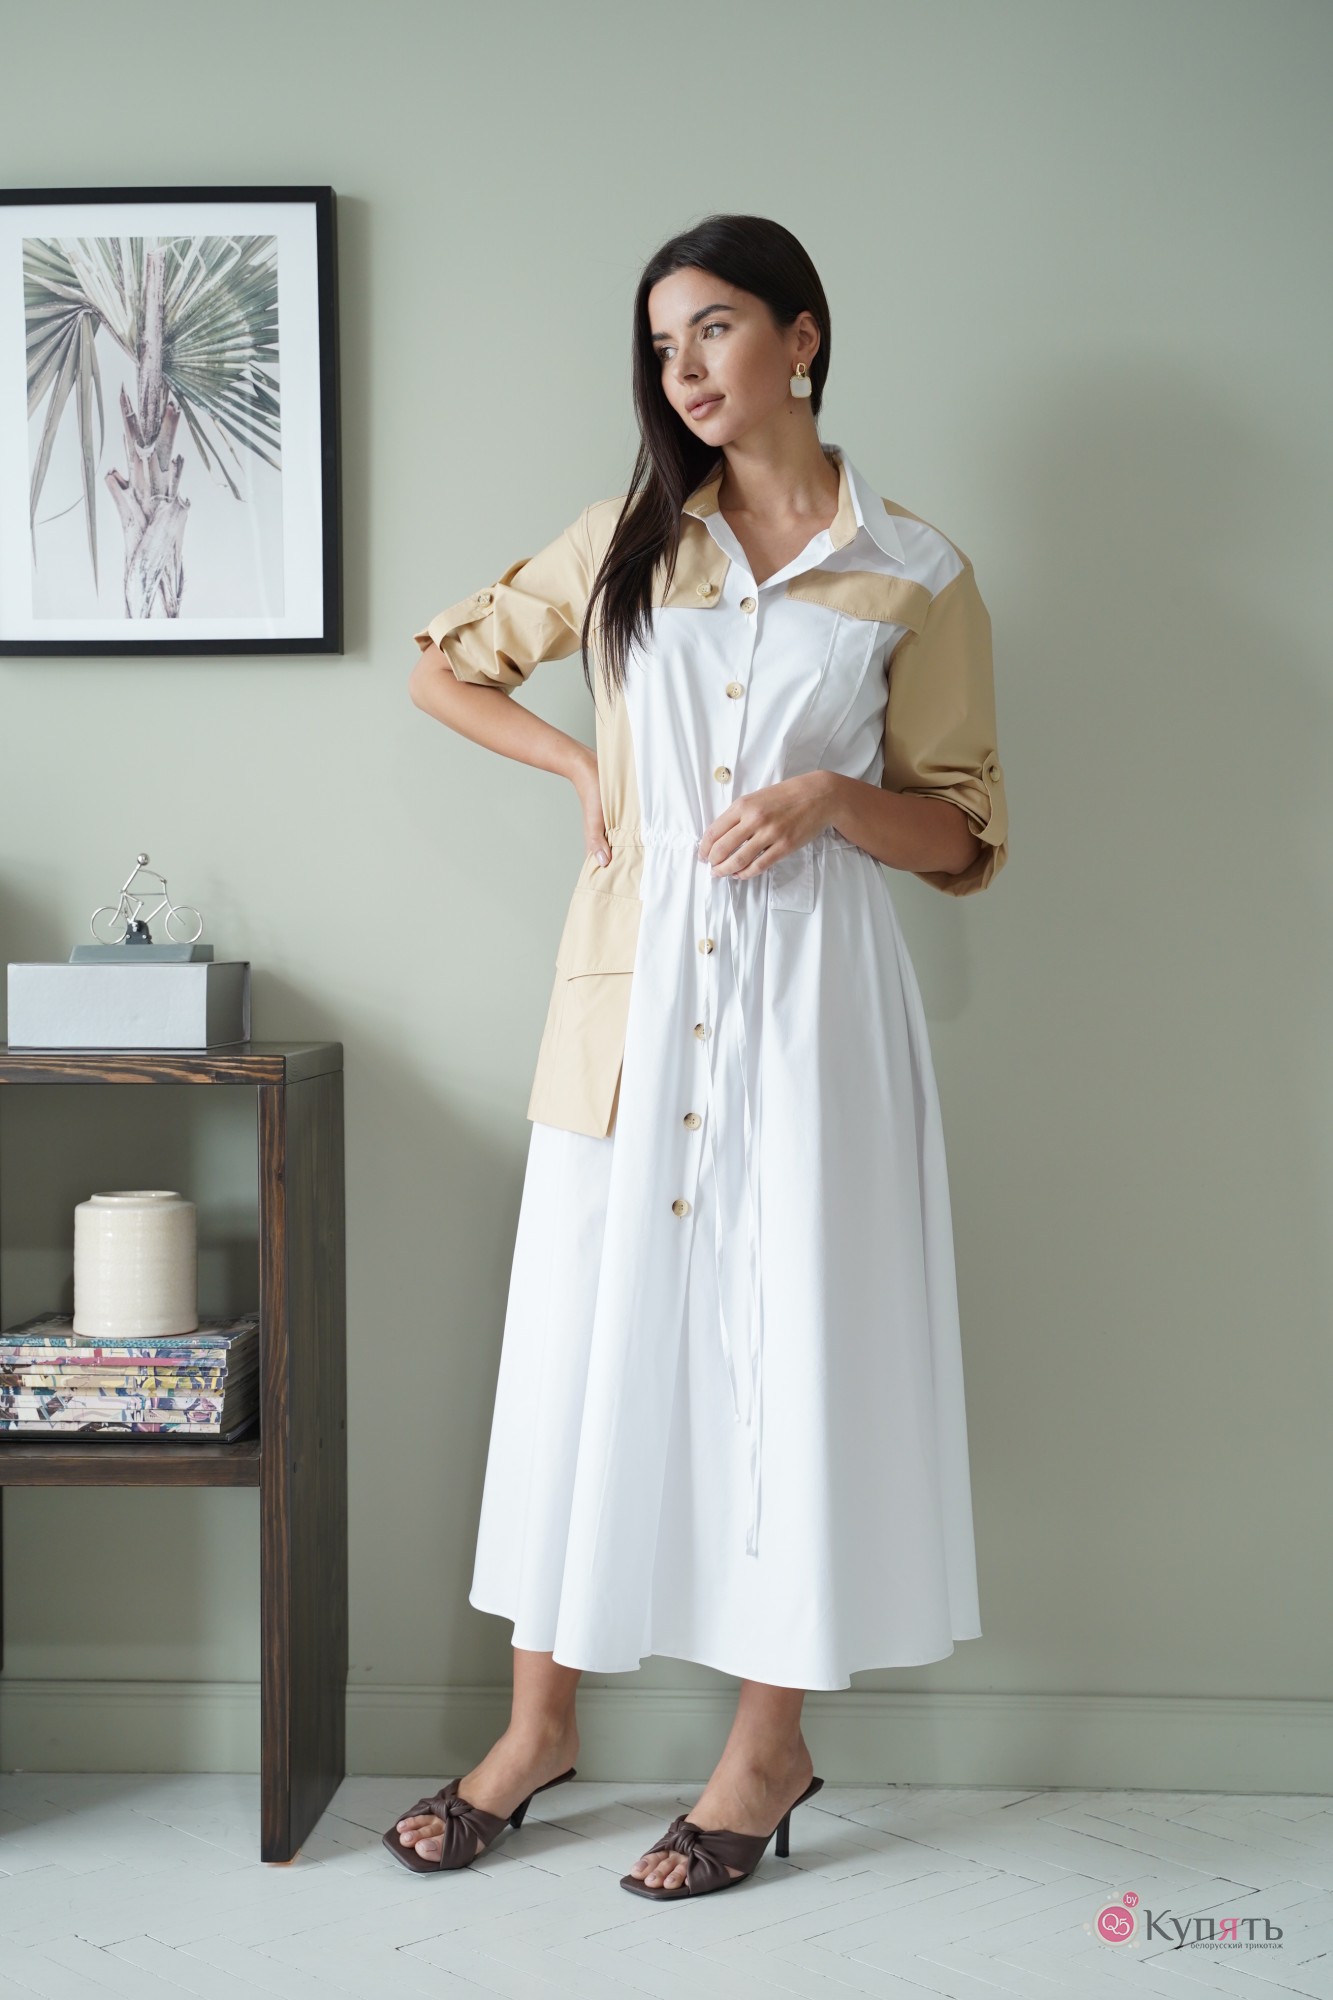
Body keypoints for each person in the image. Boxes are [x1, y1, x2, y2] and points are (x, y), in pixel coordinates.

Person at [386, 212, 1009, 1901]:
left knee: (785, 1358)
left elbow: (962, 835)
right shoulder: (624, 545)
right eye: (661, 345)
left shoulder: (917, 571)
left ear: (802, 337)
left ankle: (763, 1753)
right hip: (628, 1004)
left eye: (714, 328)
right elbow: (441, 670)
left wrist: (829, 800)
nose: (683, 369)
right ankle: (538, 1731)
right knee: (583, 1354)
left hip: (811, 1014)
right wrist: (582, 771)